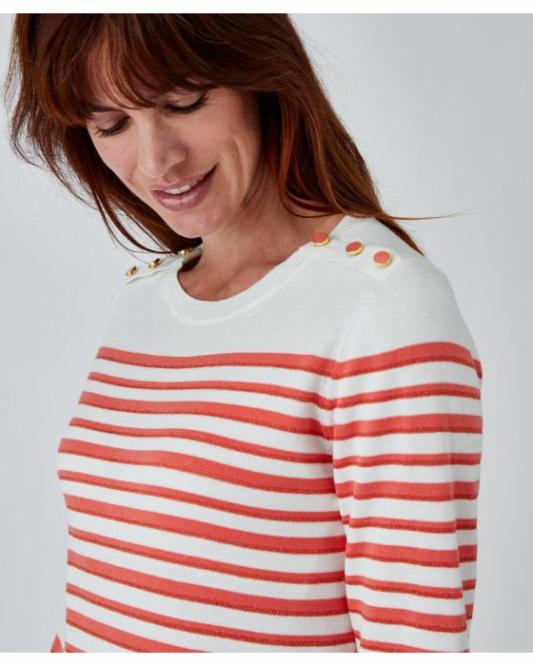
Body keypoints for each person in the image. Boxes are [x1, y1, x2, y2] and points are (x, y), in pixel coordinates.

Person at [4, 14, 483, 653]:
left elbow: (412, 641)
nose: (156, 160)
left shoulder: (383, 306)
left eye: (183, 102)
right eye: (110, 125)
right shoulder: (142, 301)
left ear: (260, 74)